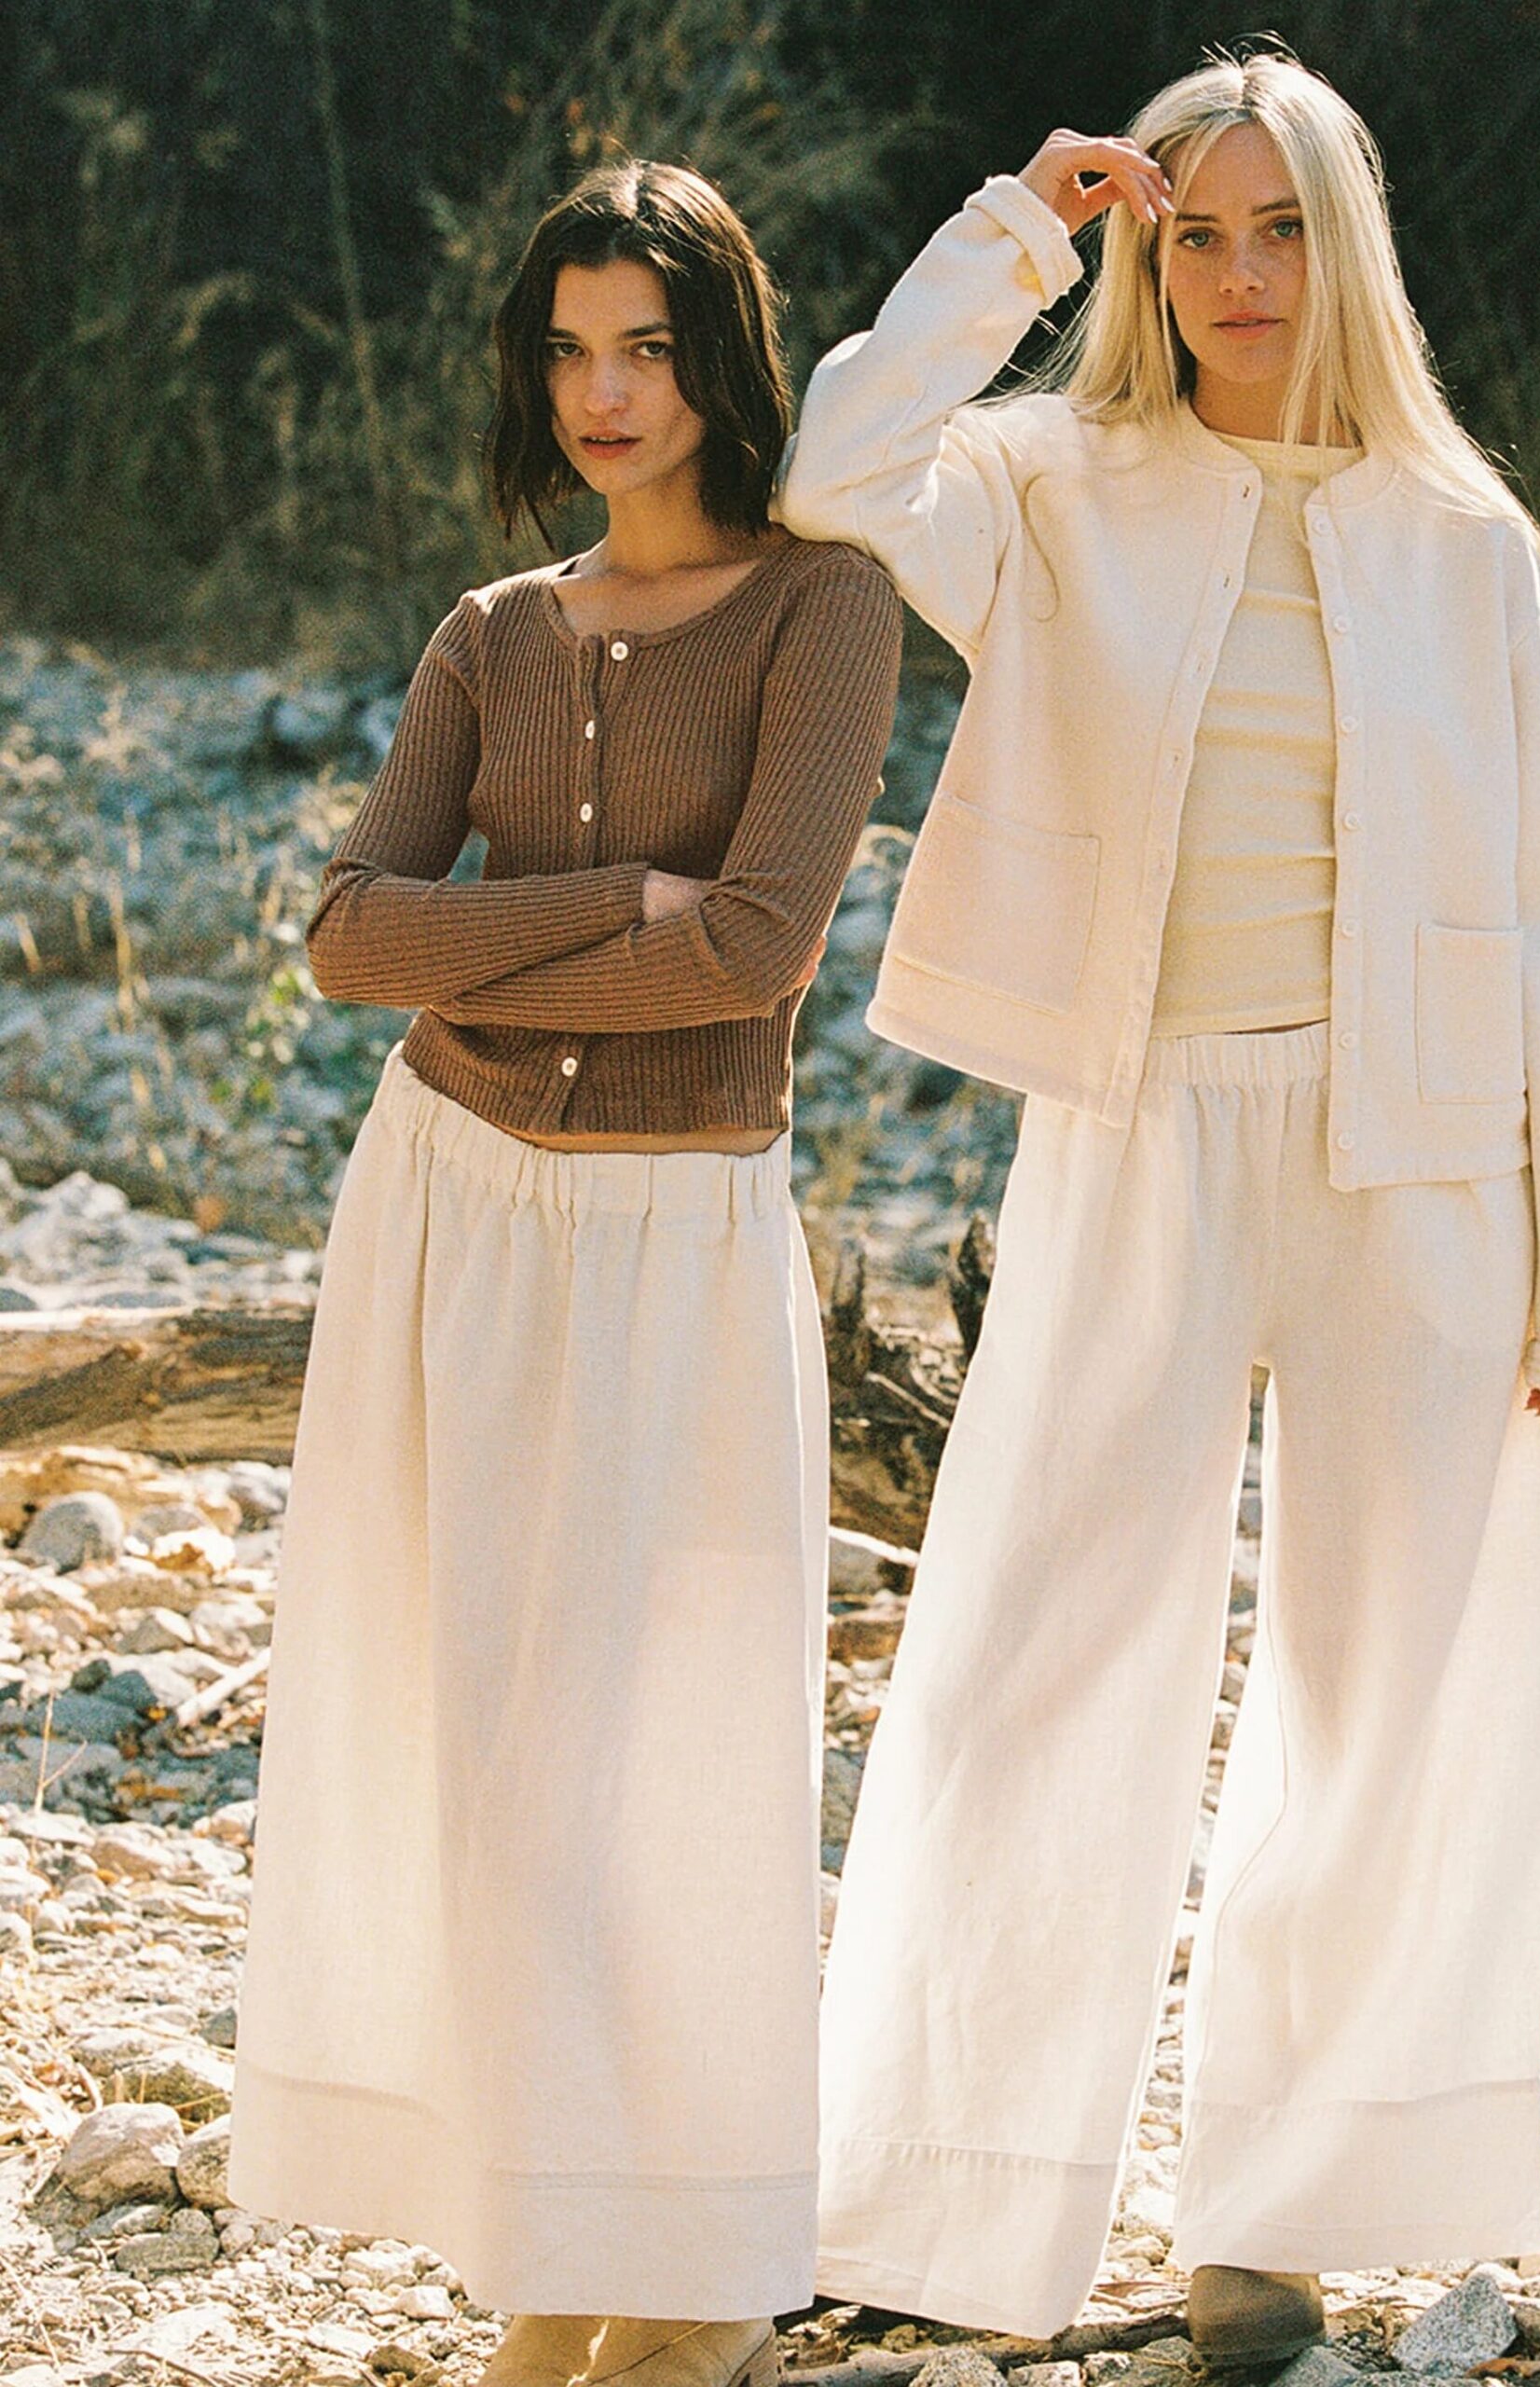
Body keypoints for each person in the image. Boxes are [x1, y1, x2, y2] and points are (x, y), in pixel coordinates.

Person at [777, 48, 1540, 2365]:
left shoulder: (1466, 537)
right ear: (1153, 254)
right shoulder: (1061, 477)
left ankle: (1283, 2209)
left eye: (1282, 229)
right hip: (1143, 1117)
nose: (1244, 275)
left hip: (1432, 1153)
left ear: (1343, 247)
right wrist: (1017, 231)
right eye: (1201, 232)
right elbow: (830, 463)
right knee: (1042, 1636)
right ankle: (937, 2188)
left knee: (1393, 1690)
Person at [227, 159, 902, 2387]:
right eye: (569, 348)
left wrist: (550, 933)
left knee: (669, 1739)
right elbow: (344, 939)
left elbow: (767, 947)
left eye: (649, 345)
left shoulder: (827, 606)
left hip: (675, 1229)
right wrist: (622, 904)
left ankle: (699, 2269)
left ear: (725, 357)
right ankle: (550, 2245)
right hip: (447, 1203)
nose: (606, 393)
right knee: (488, 1732)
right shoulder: (492, 631)